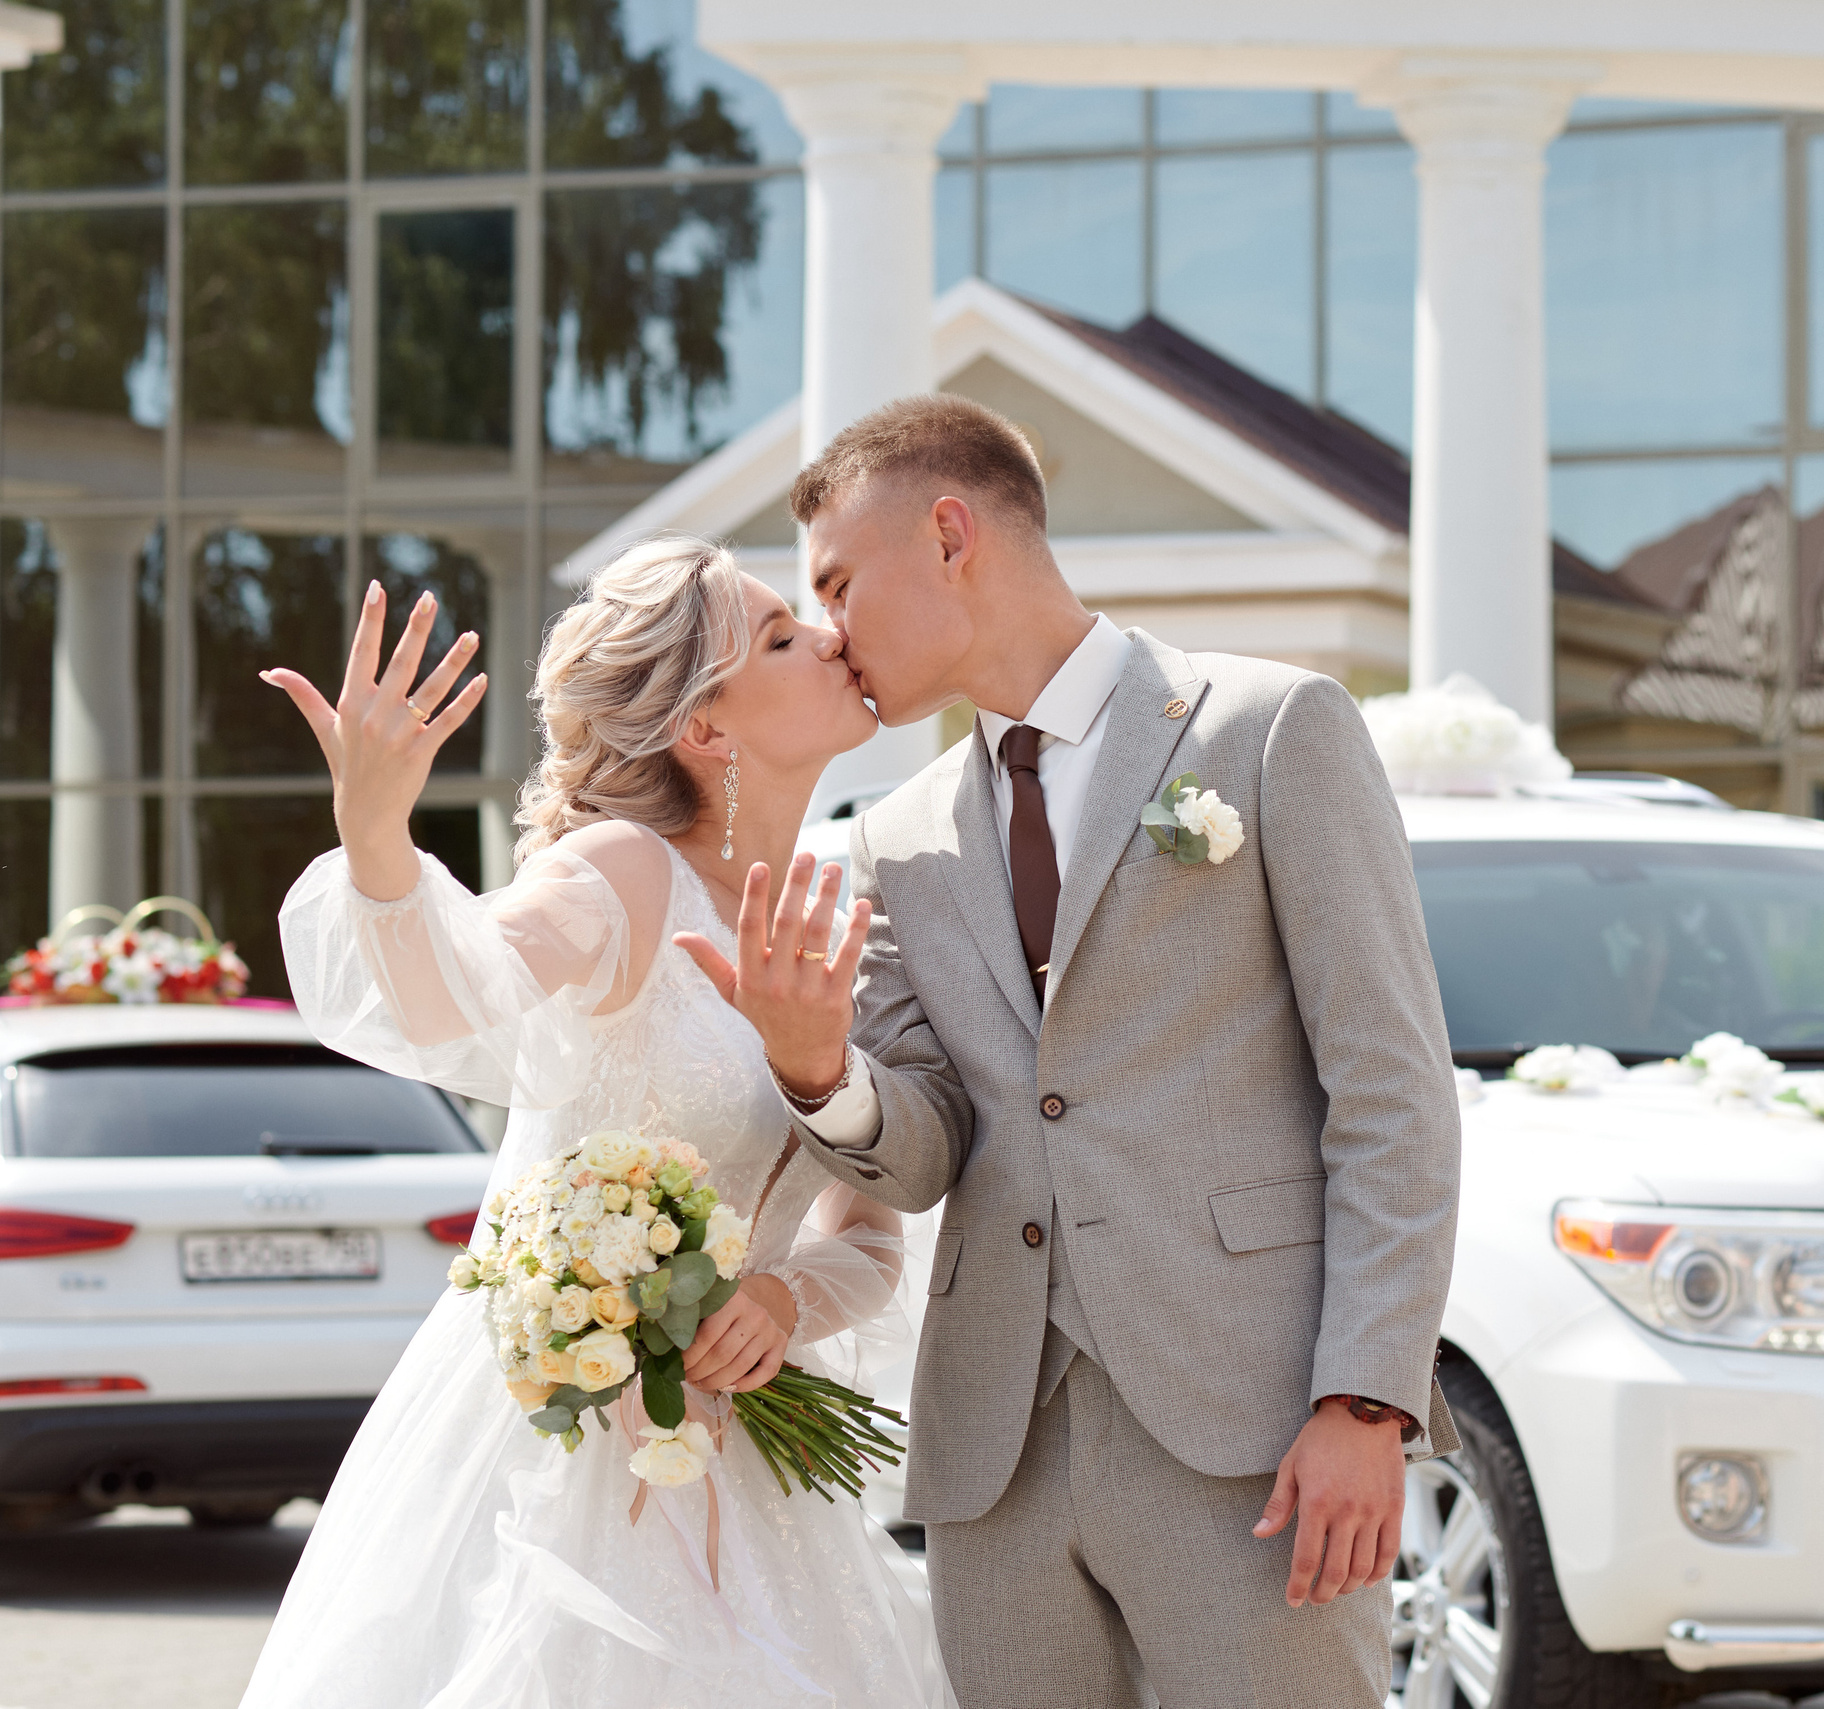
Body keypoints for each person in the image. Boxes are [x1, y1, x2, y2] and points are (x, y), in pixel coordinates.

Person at [678, 394, 1463, 1707]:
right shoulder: (900, 835)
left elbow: (1390, 1094)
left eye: (836, 582)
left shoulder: (1269, 732)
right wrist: (820, 1072)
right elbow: (926, 1152)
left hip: (1256, 1436)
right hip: (1000, 1459)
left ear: (947, 532)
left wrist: (1367, 1403)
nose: (826, 630)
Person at [238, 539, 952, 1708]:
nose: (830, 635)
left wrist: (781, 1296)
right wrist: (376, 836)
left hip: (757, 1463)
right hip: (555, 1457)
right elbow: (447, 994)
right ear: (707, 731)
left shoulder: (845, 921)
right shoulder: (624, 872)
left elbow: (870, 1236)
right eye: (780, 634)